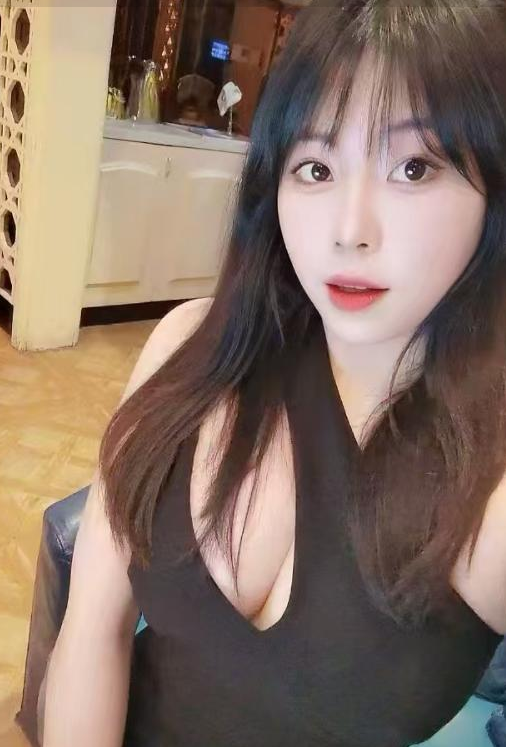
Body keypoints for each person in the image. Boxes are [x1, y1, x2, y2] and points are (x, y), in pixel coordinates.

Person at [43, 1, 506, 745]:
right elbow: (92, 631)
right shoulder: (189, 349)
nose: (349, 230)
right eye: (316, 167)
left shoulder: (490, 481)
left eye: (414, 167)